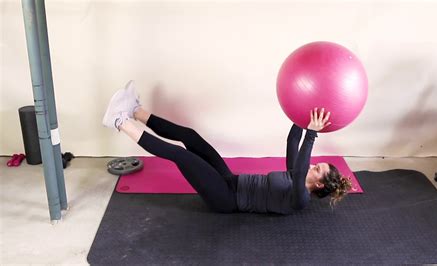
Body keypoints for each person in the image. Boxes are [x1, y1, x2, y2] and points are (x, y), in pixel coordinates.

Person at [102, 81, 352, 214]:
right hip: (232, 180)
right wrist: (302, 114)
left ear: (319, 184)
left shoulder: (301, 198)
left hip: (226, 199)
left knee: (181, 155)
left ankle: (119, 120)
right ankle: (135, 110)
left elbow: (299, 173)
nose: (313, 164)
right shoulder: (295, 174)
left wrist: (312, 133)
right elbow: (291, 142)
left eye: (318, 168)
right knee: (192, 138)